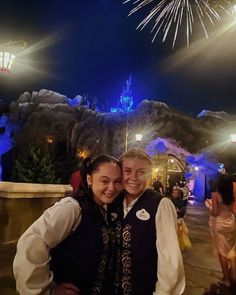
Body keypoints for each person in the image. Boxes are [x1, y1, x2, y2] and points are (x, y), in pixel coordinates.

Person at [13, 154, 123, 295]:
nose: (112, 188)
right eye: (104, 181)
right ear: (89, 179)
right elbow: (32, 242)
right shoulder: (72, 207)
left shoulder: (103, 208)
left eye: (117, 181)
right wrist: (45, 290)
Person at [109, 148, 185, 295]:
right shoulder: (113, 201)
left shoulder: (160, 204)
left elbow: (170, 261)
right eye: (128, 171)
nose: (134, 177)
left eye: (141, 172)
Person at [207, 174, 236, 287]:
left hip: (219, 225)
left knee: (222, 252)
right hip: (231, 223)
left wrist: (208, 206)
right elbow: (232, 210)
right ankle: (234, 275)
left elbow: (215, 213)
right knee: (231, 249)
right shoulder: (233, 194)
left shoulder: (216, 195)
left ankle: (227, 279)